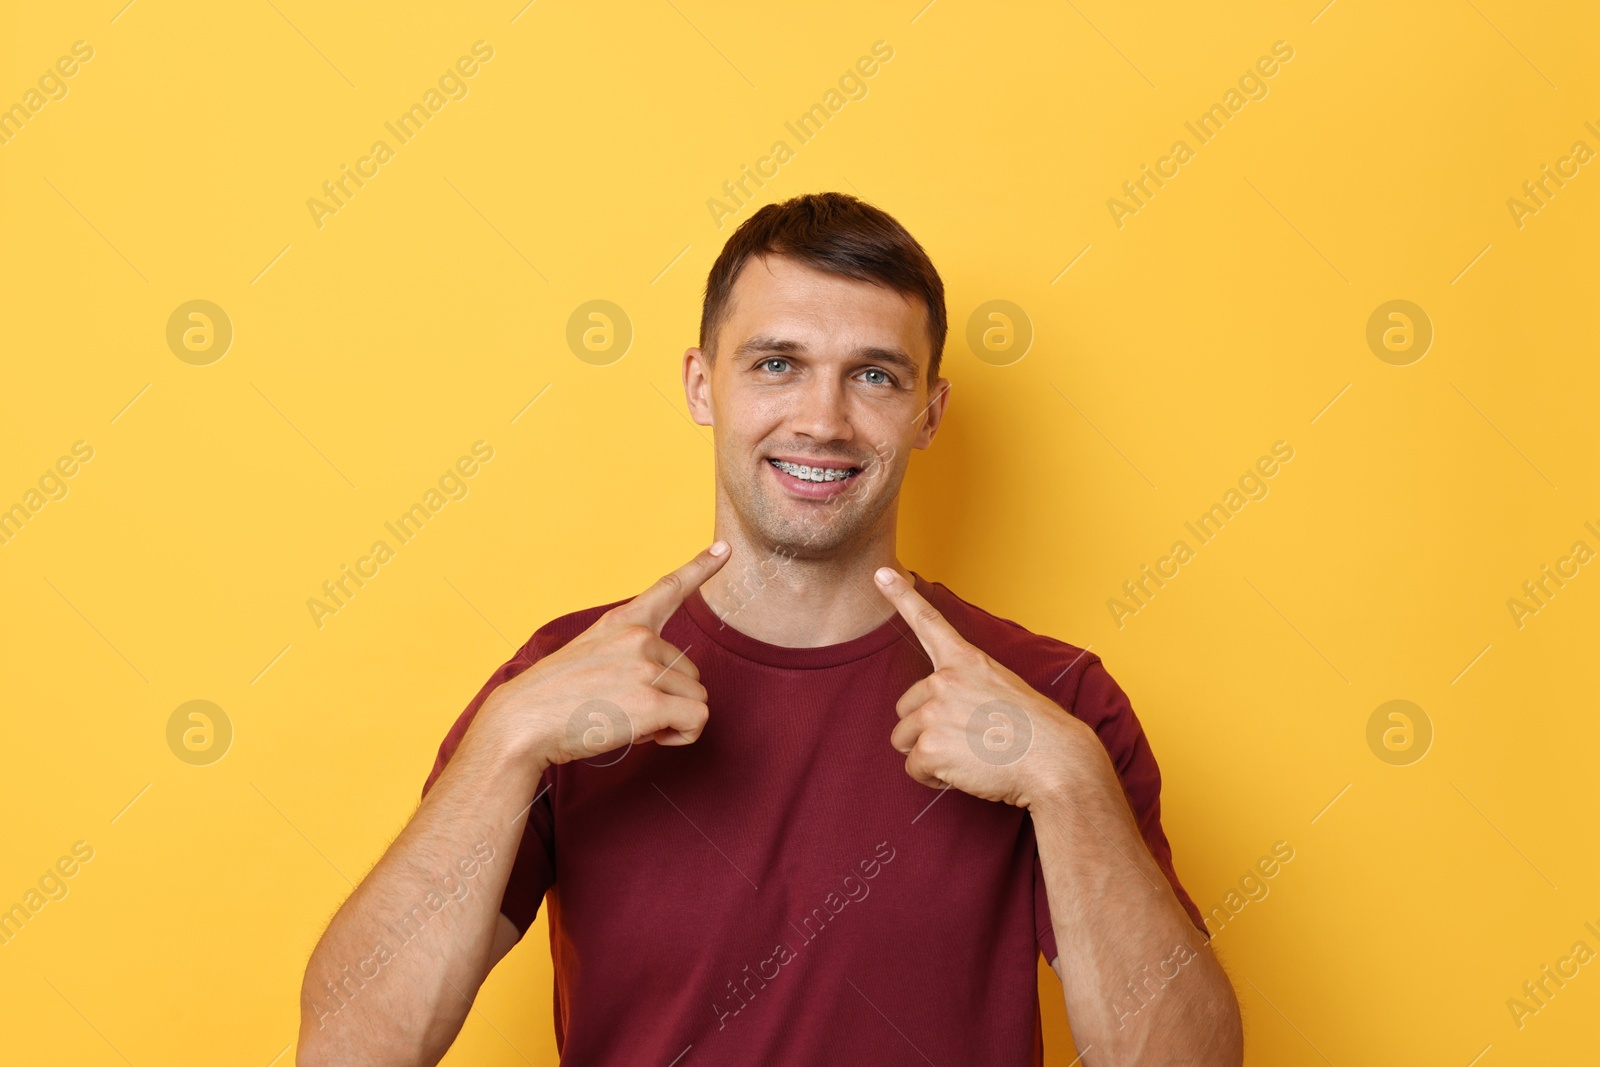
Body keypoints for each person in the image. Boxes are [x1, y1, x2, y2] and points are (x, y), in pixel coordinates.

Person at [296, 192, 1243, 1066]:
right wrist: (507, 741)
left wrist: (1066, 781)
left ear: (929, 412)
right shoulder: (562, 680)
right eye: (777, 364)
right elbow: (346, 1050)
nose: (821, 420)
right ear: (703, 386)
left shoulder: (1056, 697)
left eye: (874, 375)